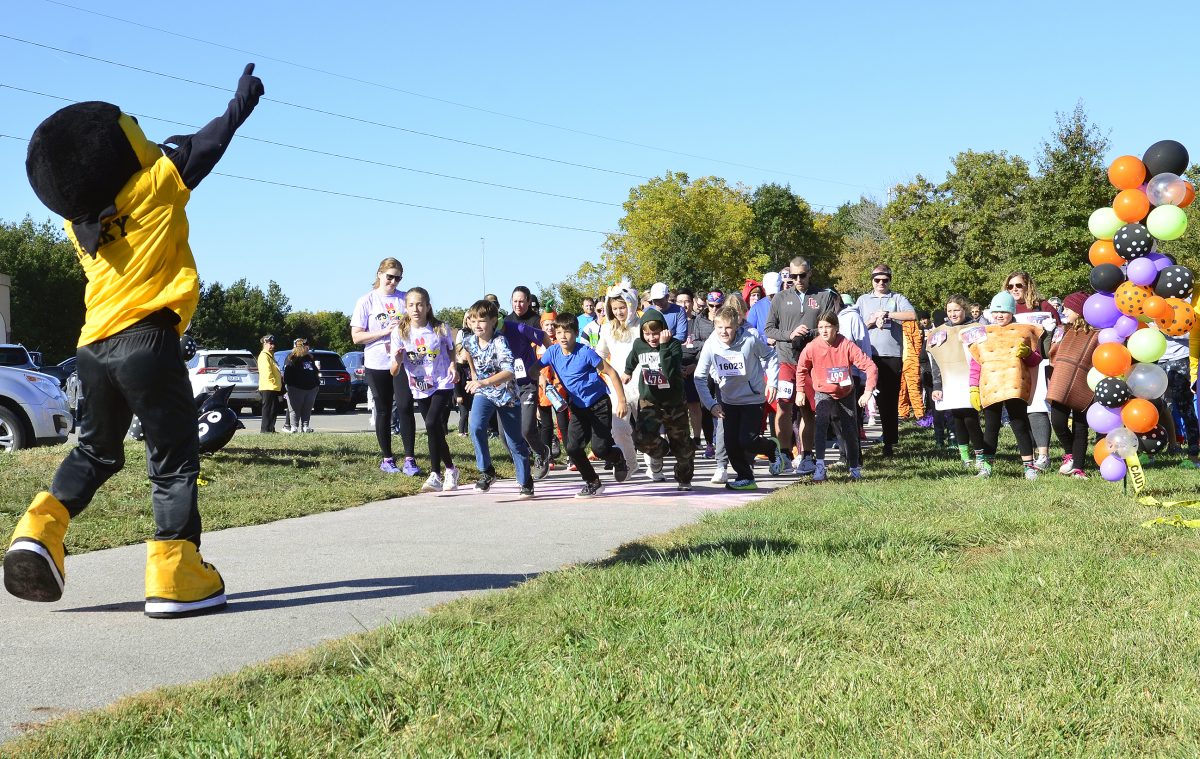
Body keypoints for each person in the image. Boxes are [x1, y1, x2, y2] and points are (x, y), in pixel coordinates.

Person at [5, 63, 263, 617]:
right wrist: (241, 104)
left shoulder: (79, 228)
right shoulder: (155, 186)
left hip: (91, 347)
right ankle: (176, 572)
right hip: (147, 338)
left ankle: (40, 528)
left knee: (97, 449)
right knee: (173, 455)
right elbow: (209, 144)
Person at [538, 313, 630, 498]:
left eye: (568, 332)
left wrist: (621, 401)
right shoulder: (552, 352)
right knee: (572, 448)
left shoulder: (585, 352)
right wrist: (543, 381)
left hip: (598, 403)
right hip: (577, 407)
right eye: (559, 332)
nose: (563, 336)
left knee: (600, 449)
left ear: (576, 332)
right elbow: (535, 370)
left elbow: (611, 373)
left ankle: (618, 458)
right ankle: (593, 481)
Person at [764, 257, 841, 474]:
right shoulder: (779, 298)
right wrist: (790, 335)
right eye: (793, 276)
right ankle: (785, 455)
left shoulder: (822, 296)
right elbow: (769, 329)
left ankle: (807, 456)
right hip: (786, 361)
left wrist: (809, 333)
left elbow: (830, 328)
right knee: (784, 407)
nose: (798, 280)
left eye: (802, 275)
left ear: (810, 274)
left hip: (812, 364)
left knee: (808, 410)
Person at [696, 305, 783, 490]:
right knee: (730, 442)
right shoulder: (711, 345)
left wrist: (772, 382)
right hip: (727, 400)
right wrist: (711, 404)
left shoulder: (750, 340)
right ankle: (745, 477)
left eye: (728, 327)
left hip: (753, 398)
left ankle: (770, 448)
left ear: (736, 326)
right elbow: (699, 377)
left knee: (747, 440)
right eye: (719, 327)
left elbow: (771, 356)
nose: (723, 332)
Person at [351, 258, 419, 475]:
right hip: (376, 362)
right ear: (379, 274)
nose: (393, 281)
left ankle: (410, 458)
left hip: (401, 363)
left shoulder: (405, 299)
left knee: (406, 406)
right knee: (383, 410)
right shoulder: (367, 300)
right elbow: (356, 337)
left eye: (398, 278)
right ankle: (387, 459)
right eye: (390, 276)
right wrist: (384, 332)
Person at [462, 299, 533, 498]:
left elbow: (509, 371)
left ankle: (525, 481)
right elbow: (466, 351)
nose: (477, 325)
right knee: (475, 426)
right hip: (484, 393)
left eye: (482, 320)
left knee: (514, 441)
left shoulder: (499, 342)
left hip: (506, 394)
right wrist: (474, 374)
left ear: (493, 321)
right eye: (473, 320)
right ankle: (486, 471)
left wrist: (483, 382)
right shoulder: (469, 340)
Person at [390, 287, 459, 493]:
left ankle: (434, 474)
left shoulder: (440, 328)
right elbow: (394, 371)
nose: (416, 309)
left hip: (442, 381)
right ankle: (450, 469)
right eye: (411, 305)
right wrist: (399, 360)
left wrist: (453, 365)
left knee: (430, 422)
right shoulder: (400, 332)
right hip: (420, 385)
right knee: (435, 429)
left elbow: (451, 349)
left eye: (420, 304)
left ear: (428, 306)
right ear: (406, 307)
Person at [796, 311, 878, 482]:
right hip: (823, 391)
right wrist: (800, 391)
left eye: (828, 327)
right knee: (821, 423)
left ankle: (854, 468)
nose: (824, 331)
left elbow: (871, 367)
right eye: (820, 327)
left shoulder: (846, 345)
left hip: (845, 392)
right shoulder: (812, 346)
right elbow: (801, 368)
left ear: (836, 328)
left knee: (850, 429)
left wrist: (868, 392)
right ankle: (819, 465)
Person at [969, 292, 1043, 479]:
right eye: (996, 311)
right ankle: (986, 466)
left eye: (1004, 311)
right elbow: (976, 363)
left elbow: (1035, 360)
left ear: (1011, 312)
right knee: (991, 427)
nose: (999, 315)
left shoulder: (1023, 332)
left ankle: (1029, 466)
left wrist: (1027, 353)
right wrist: (973, 387)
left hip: (1014, 384)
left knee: (1019, 424)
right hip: (990, 386)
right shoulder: (983, 335)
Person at [624, 308, 694, 490]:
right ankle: (663, 450)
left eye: (655, 333)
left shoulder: (673, 345)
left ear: (663, 330)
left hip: (673, 401)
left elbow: (669, 370)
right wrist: (627, 371)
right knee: (641, 438)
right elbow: (633, 357)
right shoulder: (639, 344)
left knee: (683, 444)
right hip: (650, 399)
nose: (651, 338)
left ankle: (684, 478)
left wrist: (663, 345)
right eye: (647, 334)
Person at [854, 264, 916, 457]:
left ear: (890, 280)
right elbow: (855, 324)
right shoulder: (863, 300)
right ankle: (854, 442)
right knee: (861, 398)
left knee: (888, 400)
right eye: (877, 280)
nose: (881, 283)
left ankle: (889, 442)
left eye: (885, 280)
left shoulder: (897, 298)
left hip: (892, 356)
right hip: (867, 355)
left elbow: (912, 315)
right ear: (871, 280)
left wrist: (888, 314)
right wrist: (871, 321)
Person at [927, 295, 984, 471]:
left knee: (970, 418)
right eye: (949, 310)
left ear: (964, 310)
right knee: (957, 419)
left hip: (971, 381)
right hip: (949, 382)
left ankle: (981, 456)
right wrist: (937, 386)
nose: (953, 314)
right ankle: (965, 456)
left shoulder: (976, 328)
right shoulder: (938, 332)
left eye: (956, 310)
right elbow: (934, 361)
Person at [504, 286, 553, 480]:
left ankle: (542, 453)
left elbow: (546, 341)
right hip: (507, 383)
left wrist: (544, 365)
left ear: (528, 301)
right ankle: (523, 462)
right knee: (505, 434)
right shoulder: (506, 321)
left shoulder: (533, 321)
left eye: (522, 301)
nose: (518, 305)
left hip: (529, 381)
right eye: (515, 301)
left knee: (526, 428)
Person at [1046, 292, 1097, 478]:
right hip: (1061, 380)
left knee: (1080, 426)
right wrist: (1048, 335)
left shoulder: (1095, 334)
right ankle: (1070, 454)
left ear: (1079, 310)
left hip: (1084, 383)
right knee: (1058, 422)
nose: (1064, 310)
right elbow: (1050, 353)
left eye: (1068, 308)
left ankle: (1078, 466)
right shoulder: (1062, 330)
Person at [595, 282, 642, 475]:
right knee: (619, 428)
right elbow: (599, 354)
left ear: (630, 305)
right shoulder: (606, 329)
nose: (619, 312)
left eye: (622, 307)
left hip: (641, 383)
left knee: (646, 430)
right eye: (614, 309)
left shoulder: (641, 326)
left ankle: (655, 466)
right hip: (617, 386)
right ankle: (630, 464)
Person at [536, 311, 570, 464]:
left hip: (559, 388)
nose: (549, 328)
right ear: (541, 326)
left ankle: (572, 455)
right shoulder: (535, 344)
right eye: (546, 325)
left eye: (552, 325)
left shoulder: (561, 343)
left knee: (563, 424)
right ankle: (547, 456)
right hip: (542, 389)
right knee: (546, 425)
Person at [283, 339, 319, 433]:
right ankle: (294, 427)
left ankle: (305, 426)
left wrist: (316, 384)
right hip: (296, 388)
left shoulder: (309, 358)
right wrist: (289, 386)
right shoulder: (292, 358)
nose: (307, 348)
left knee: (307, 409)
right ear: (300, 348)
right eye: (305, 346)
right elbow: (287, 374)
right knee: (295, 409)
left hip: (311, 388)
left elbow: (315, 371)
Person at [257, 334, 282, 433]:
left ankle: (271, 428)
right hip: (268, 386)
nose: (272, 346)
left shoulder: (270, 356)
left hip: (273, 387)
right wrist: (274, 382)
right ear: (265, 343)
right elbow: (267, 372)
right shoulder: (264, 356)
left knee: (273, 409)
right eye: (270, 343)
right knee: (267, 409)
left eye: (273, 344)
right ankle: (265, 429)